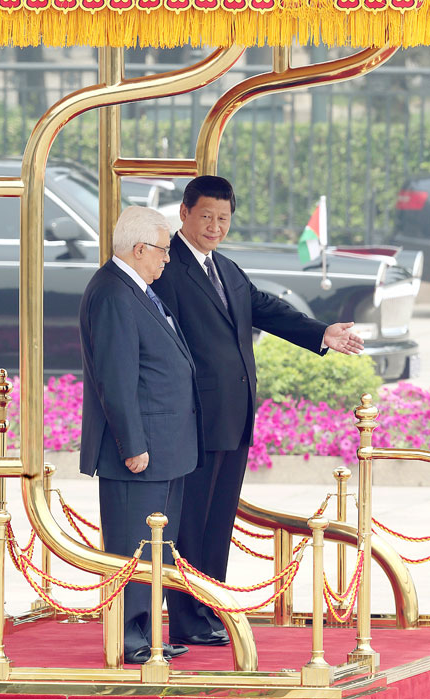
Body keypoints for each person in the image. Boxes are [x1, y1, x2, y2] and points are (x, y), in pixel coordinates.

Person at [152, 175, 364, 646]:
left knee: (217, 522)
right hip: (194, 420)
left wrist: (321, 332)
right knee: (190, 525)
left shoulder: (226, 268)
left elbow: (266, 308)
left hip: (234, 416)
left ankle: (210, 612)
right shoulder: (166, 268)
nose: (215, 226)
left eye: (223, 218)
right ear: (184, 213)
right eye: (206, 215)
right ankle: (187, 619)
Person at [79, 206, 203, 664]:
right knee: (133, 548)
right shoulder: (114, 292)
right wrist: (133, 445)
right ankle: (131, 639)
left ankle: (149, 635)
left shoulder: (137, 289)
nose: (168, 259)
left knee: (158, 551)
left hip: (166, 449)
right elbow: (116, 378)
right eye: (164, 250)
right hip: (139, 453)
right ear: (138, 249)